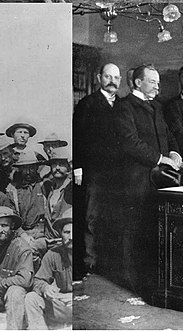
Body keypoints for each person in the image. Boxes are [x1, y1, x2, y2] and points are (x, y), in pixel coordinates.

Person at [114, 65, 181, 295]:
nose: (157, 86)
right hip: (136, 178)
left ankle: (152, 279)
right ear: (137, 82)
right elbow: (129, 142)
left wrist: (174, 152)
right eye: (152, 81)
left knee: (154, 227)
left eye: (158, 82)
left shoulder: (157, 106)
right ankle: (132, 280)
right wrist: (161, 157)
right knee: (134, 229)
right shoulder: (124, 107)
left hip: (160, 178)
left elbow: (168, 134)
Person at [72, 63, 121, 277]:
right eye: (108, 76)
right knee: (91, 215)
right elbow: (79, 137)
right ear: (99, 77)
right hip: (94, 170)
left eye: (116, 77)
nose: (112, 81)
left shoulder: (123, 105)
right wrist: (79, 168)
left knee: (112, 215)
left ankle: (109, 261)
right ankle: (89, 260)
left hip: (118, 172)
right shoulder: (87, 103)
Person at [24, 208, 72, 329]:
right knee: (31, 298)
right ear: (60, 233)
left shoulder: (91, 255)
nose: (71, 237)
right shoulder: (53, 254)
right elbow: (38, 280)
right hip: (62, 305)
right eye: (67, 232)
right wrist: (46, 288)